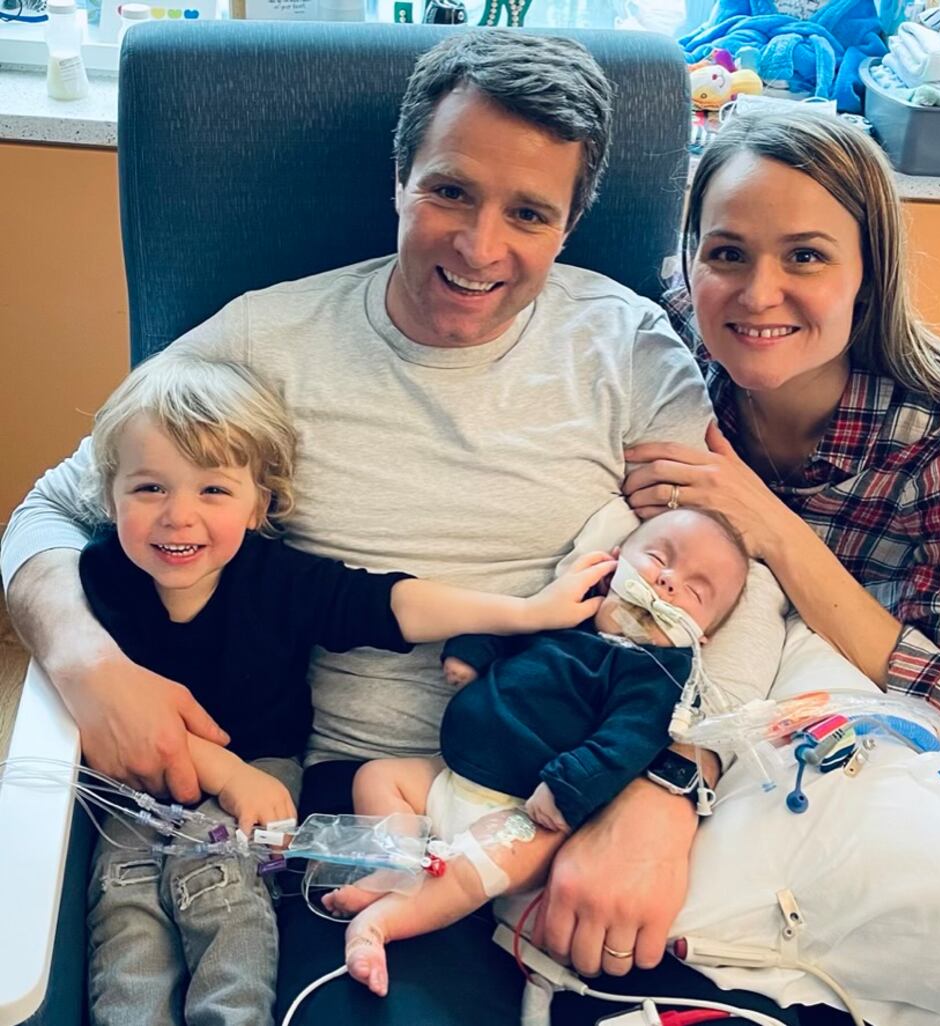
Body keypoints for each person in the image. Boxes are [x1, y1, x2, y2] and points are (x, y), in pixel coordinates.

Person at [6, 30, 815, 1026]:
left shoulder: (630, 353)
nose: (479, 249)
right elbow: (50, 508)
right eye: (449, 193)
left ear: (570, 225)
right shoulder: (264, 341)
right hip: (350, 807)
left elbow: (740, 575)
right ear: (399, 178)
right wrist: (86, 662)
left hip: (584, 778)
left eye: (528, 213)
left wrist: (666, 786)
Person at [76, 353, 614, 1026]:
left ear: (257, 505)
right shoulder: (102, 575)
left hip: (264, 772)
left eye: (212, 491)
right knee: (125, 904)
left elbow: (394, 606)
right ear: (111, 495)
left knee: (220, 890)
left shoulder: (279, 580)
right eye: (149, 489)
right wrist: (222, 770)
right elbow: (107, 704)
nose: (178, 517)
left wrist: (529, 613)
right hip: (132, 777)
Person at [626, 108, 940, 784]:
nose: (757, 294)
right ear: (689, 263)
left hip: (835, 776)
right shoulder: (660, 361)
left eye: (805, 256)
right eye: (726, 253)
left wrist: (773, 529)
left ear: (869, 274)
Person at [320, 509, 750, 998]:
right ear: (613, 563)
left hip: (526, 810)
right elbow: (508, 624)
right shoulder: (566, 613)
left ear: (703, 635)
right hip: (453, 772)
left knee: (476, 866)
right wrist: (470, 652)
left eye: (694, 591)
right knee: (378, 778)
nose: (668, 583)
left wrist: (568, 787)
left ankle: (378, 927)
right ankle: (394, 866)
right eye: (657, 559)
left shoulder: (659, 674)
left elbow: (626, 744)